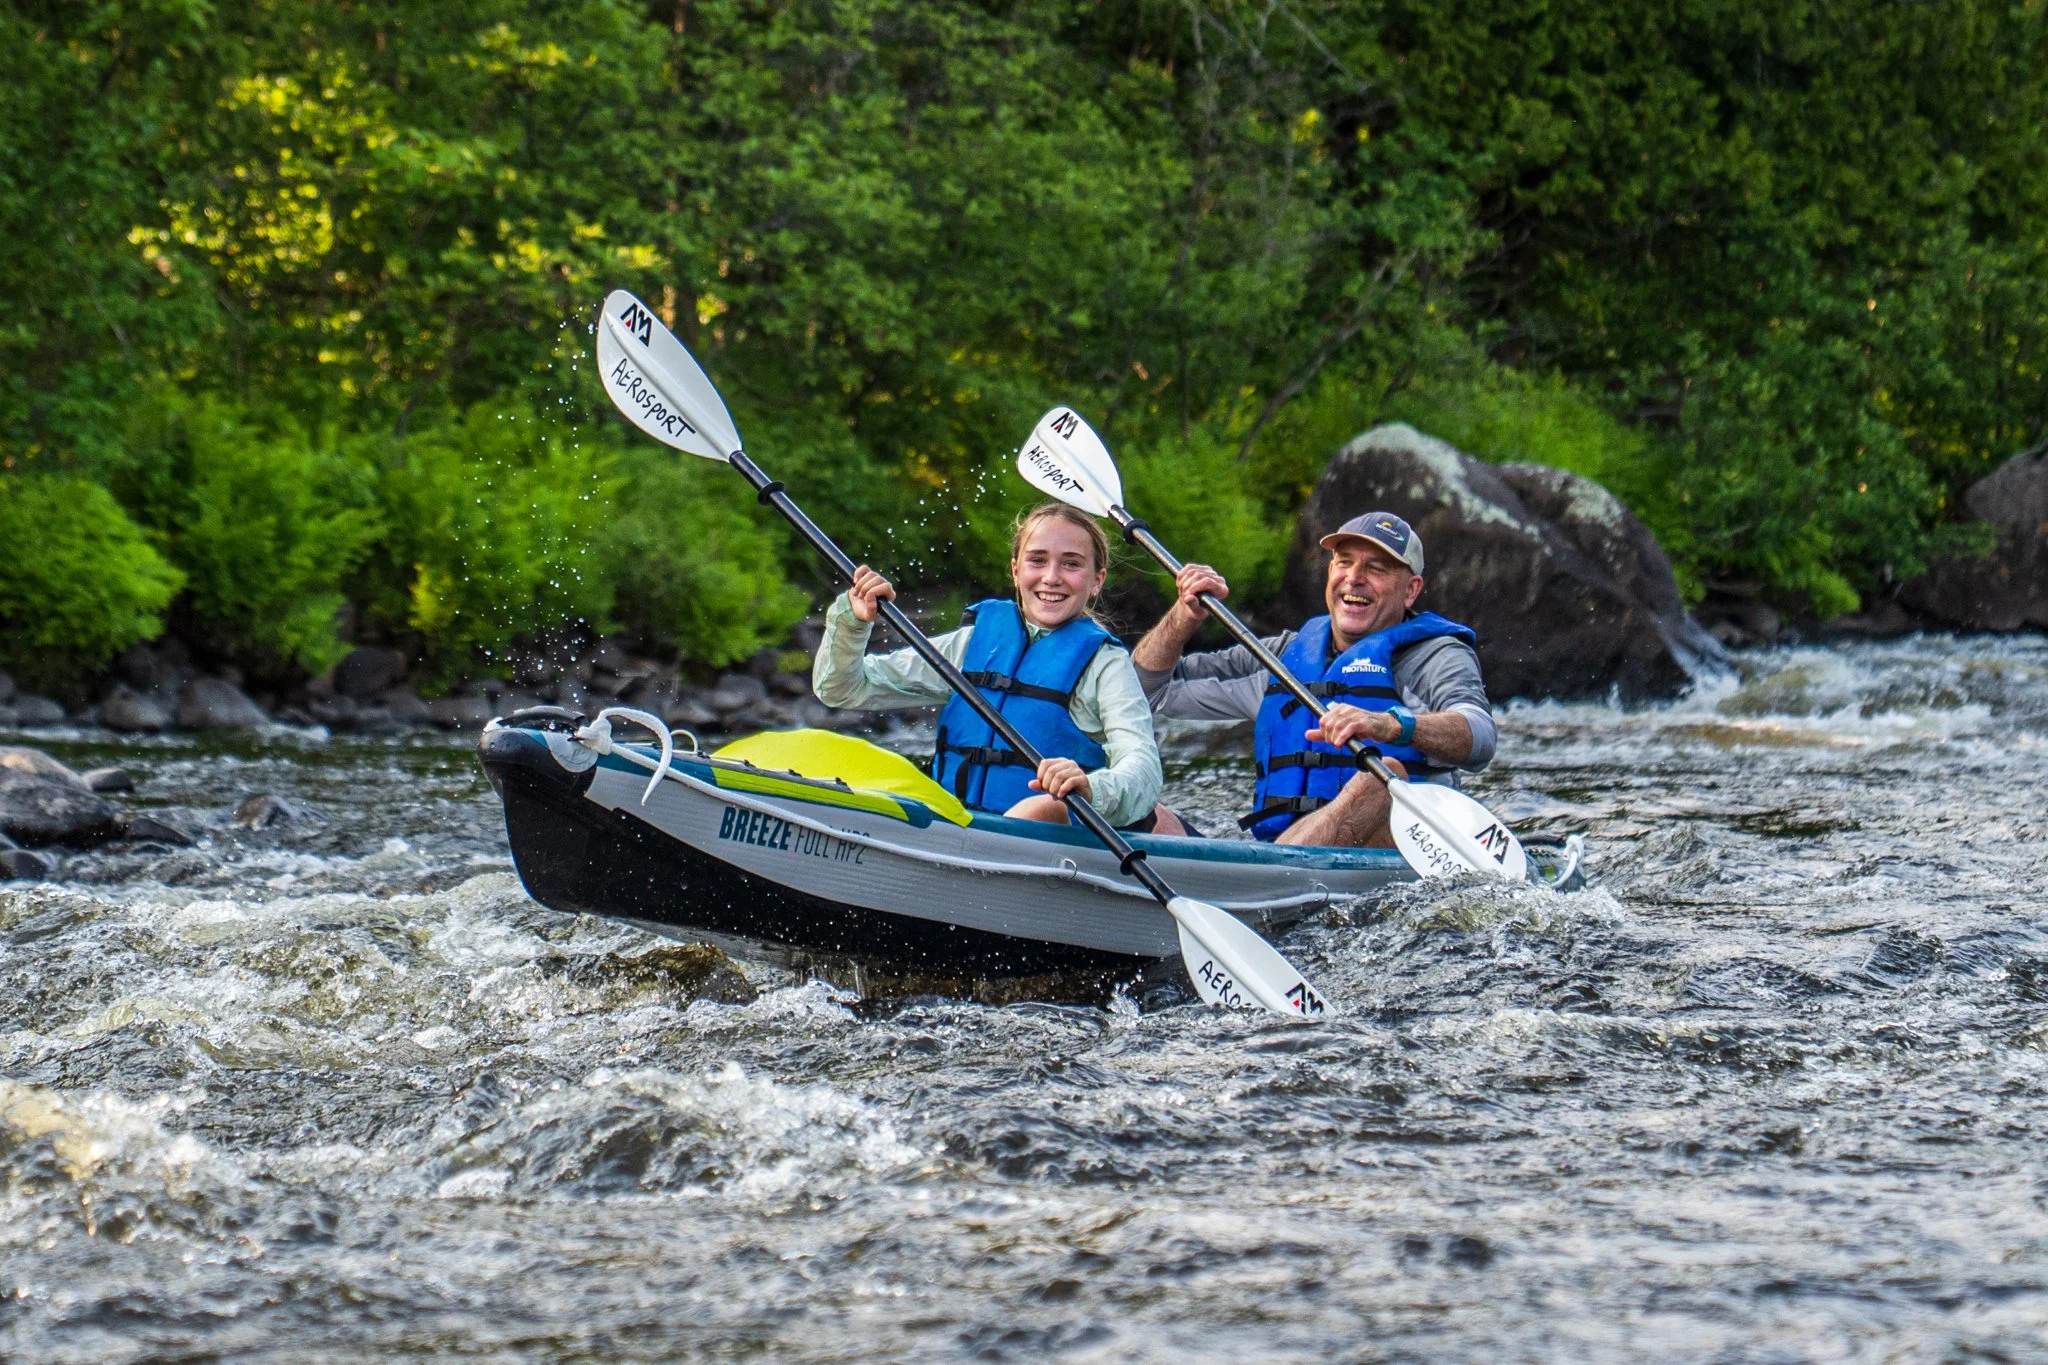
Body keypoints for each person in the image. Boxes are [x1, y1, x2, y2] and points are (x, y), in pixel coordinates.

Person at [1132, 511, 1495, 847]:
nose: (1354, 578)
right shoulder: (1280, 657)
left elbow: (1479, 735)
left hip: (1390, 850)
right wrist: (1182, 618)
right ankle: (1255, 882)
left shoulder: (1434, 655)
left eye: (1377, 568)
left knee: (1383, 777)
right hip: (1280, 851)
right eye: (1344, 562)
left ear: (1411, 590)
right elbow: (1145, 691)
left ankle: (1261, 888)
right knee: (1135, 804)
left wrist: (1389, 725)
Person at [812, 502, 1179, 831]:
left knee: (1041, 807)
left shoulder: (1106, 665)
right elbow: (844, 687)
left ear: (1097, 581)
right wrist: (853, 621)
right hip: (960, 823)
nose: (1051, 577)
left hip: (1054, 841)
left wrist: (1091, 788)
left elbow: (1142, 766)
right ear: (1016, 571)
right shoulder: (972, 644)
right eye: (1037, 560)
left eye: (1071, 564)